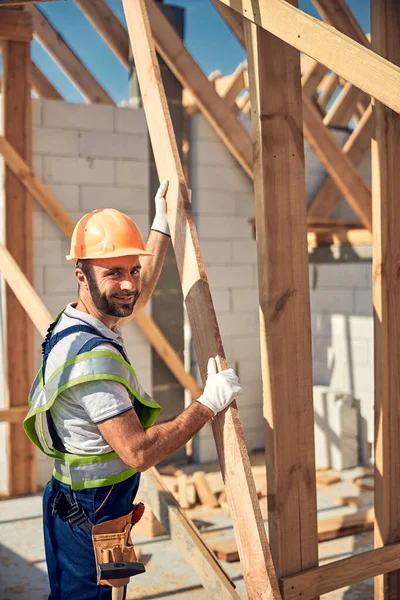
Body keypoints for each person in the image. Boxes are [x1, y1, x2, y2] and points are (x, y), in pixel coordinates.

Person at [24, 180, 242, 600]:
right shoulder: (92, 361)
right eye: (114, 273)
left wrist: (160, 226)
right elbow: (138, 452)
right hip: (88, 508)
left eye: (133, 269)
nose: (128, 284)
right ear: (81, 276)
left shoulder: (79, 319)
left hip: (89, 501)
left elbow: (133, 300)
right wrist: (207, 404)